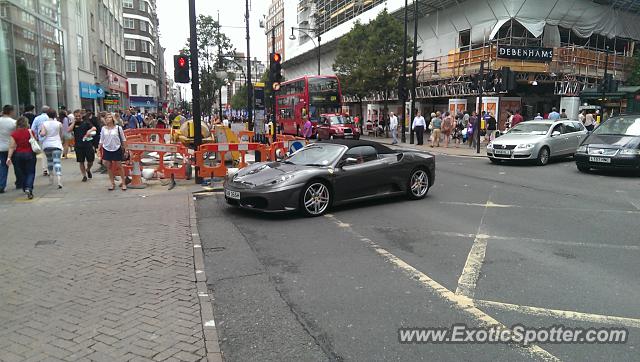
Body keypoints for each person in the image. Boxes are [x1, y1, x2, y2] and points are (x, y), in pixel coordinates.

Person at [6, 117, 36, 199]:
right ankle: (29, 188)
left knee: (22, 172)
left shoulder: (14, 134)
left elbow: (12, 146)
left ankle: (24, 187)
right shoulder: (30, 132)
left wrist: (9, 157)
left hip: (18, 155)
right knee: (30, 172)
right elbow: (35, 141)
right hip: (30, 154)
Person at [99, 113, 127, 191]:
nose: (108, 119)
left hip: (116, 147)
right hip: (106, 148)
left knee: (119, 165)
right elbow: (101, 139)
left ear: (113, 119)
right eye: (106, 118)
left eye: (109, 117)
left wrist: (126, 149)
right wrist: (99, 148)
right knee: (108, 165)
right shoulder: (103, 128)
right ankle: (112, 183)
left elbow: (123, 139)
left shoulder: (118, 128)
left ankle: (123, 182)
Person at [40, 108, 63, 188]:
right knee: (57, 162)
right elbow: (61, 135)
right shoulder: (59, 123)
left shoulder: (44, 123)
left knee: (49, 161)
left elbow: (42, 133)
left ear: (47, 115)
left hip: (47, 145)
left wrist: (41, 133)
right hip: (57, 144)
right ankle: (59, 178)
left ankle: (51, 176)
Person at [72, 113, 97, 182]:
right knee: (81, 161)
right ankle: (84, 176)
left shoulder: (86, 123)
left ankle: (88, 169)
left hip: (88, 144)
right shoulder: (74, 124)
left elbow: (94, 128)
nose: (77, 117)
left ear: (81, 116)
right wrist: (73, 122)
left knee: (90, 161)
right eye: (76, 116)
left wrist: (90, 130)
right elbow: (68, 130)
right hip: (78, 145)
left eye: (79, 116)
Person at [0, 105, 17, 193]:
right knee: (17, 166)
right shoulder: (14, 122)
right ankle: (19, 182)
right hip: (12, 147)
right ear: (10, 111)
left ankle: (1, 185)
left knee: (3, 166)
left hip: (1, 148)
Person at [31, 105, 50, 176]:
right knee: (50, 154)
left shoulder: (37, 118)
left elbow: (33, 129)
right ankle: (49, 168)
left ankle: (45, 169)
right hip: (51, 139)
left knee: (44, 154)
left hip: (41, 138)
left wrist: (36, 136)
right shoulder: (50, 118)